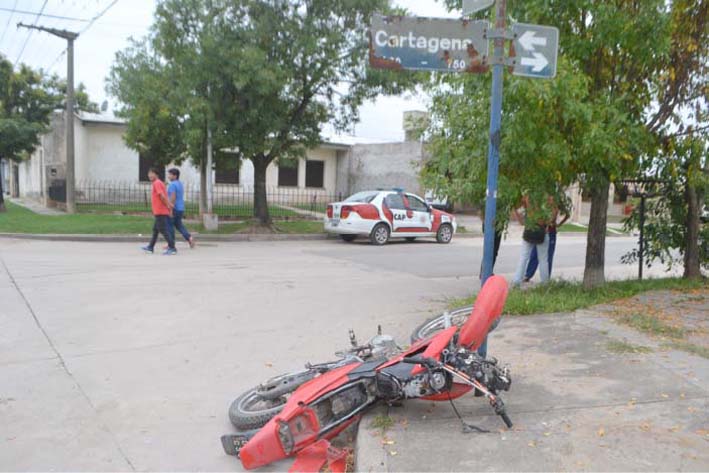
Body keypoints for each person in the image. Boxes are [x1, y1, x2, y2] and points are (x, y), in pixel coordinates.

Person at [512, 194, 552, 286]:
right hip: (541, 230)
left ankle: (516, 281)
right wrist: (548, 223)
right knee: (543, 259)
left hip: (529, 228)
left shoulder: (527, 196)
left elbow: (517, 207)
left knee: (524, 257)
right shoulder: (547, 197)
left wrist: (522, 220)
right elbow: (554, 211)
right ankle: (545, 284)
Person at [524, 199, 569, 282]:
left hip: (550, 232)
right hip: (540, 231)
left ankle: (546, 279)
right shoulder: (542, 198)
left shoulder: (556, 200)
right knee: (534, 254)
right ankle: (528, 275)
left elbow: (567, 214)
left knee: (548, 256)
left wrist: (558, 224)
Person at [141, 168, 176, 255]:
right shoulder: (158, 183)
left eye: (152, 173)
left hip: (160, 211)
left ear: (156, 174)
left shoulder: (157, 183)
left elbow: (162, 196)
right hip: (159, 211)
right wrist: (168, 204)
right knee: (155, 230)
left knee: (163, 230)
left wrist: (168, 205)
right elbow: (163, 196)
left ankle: (172, 248)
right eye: (149, 173)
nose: (149, 175)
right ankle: (150, 247)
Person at [166, 168, 195, 248]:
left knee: (170, 226)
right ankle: (189, 237)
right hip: (180, 208)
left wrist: (170, 209)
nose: (168, 176)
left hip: (174, 208)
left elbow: (173, 197)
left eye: (170, 175)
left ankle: (171, 244)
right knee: (179, 225)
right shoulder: (180, 184)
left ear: (175, 176)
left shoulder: (172, 185)